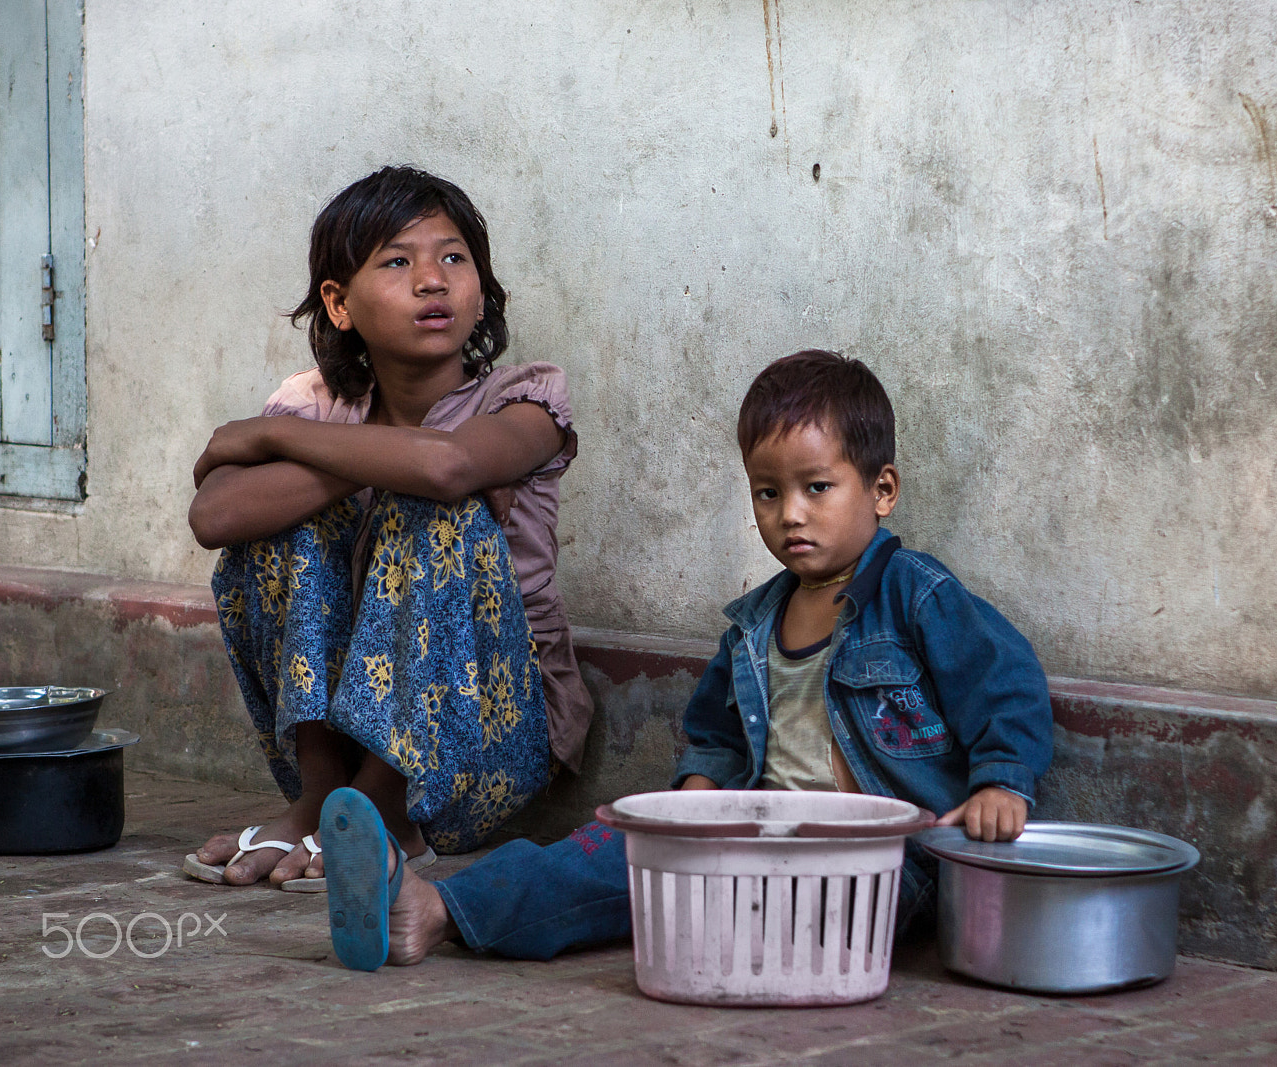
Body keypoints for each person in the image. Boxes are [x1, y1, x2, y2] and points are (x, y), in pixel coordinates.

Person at [318, 349, 1051, 970]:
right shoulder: (755, 624)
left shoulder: (918, 598)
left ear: (881, 489)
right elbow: (718, 738)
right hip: (759, 835)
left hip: (886, 867)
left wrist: (1001, 784)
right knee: (609, 854)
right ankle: (435, 906)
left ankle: (715, 924)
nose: (790, 513)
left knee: (740, 904)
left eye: (816, 488)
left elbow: (1006, 685)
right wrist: (684, 813)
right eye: (768, 492)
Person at [183, 166, 593, 889]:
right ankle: (321, 797)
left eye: (453, 257)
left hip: (488, 735)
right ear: (339, 304)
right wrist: (367, 449)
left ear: (482, 291)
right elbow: (216, 516)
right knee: (286, 523)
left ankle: (385, 807)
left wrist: (262, 439)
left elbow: (445, 469)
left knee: (434, 505)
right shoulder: (313, 404)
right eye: (398, 261)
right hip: (339, 733)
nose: (432, 279)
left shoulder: (524, 403)